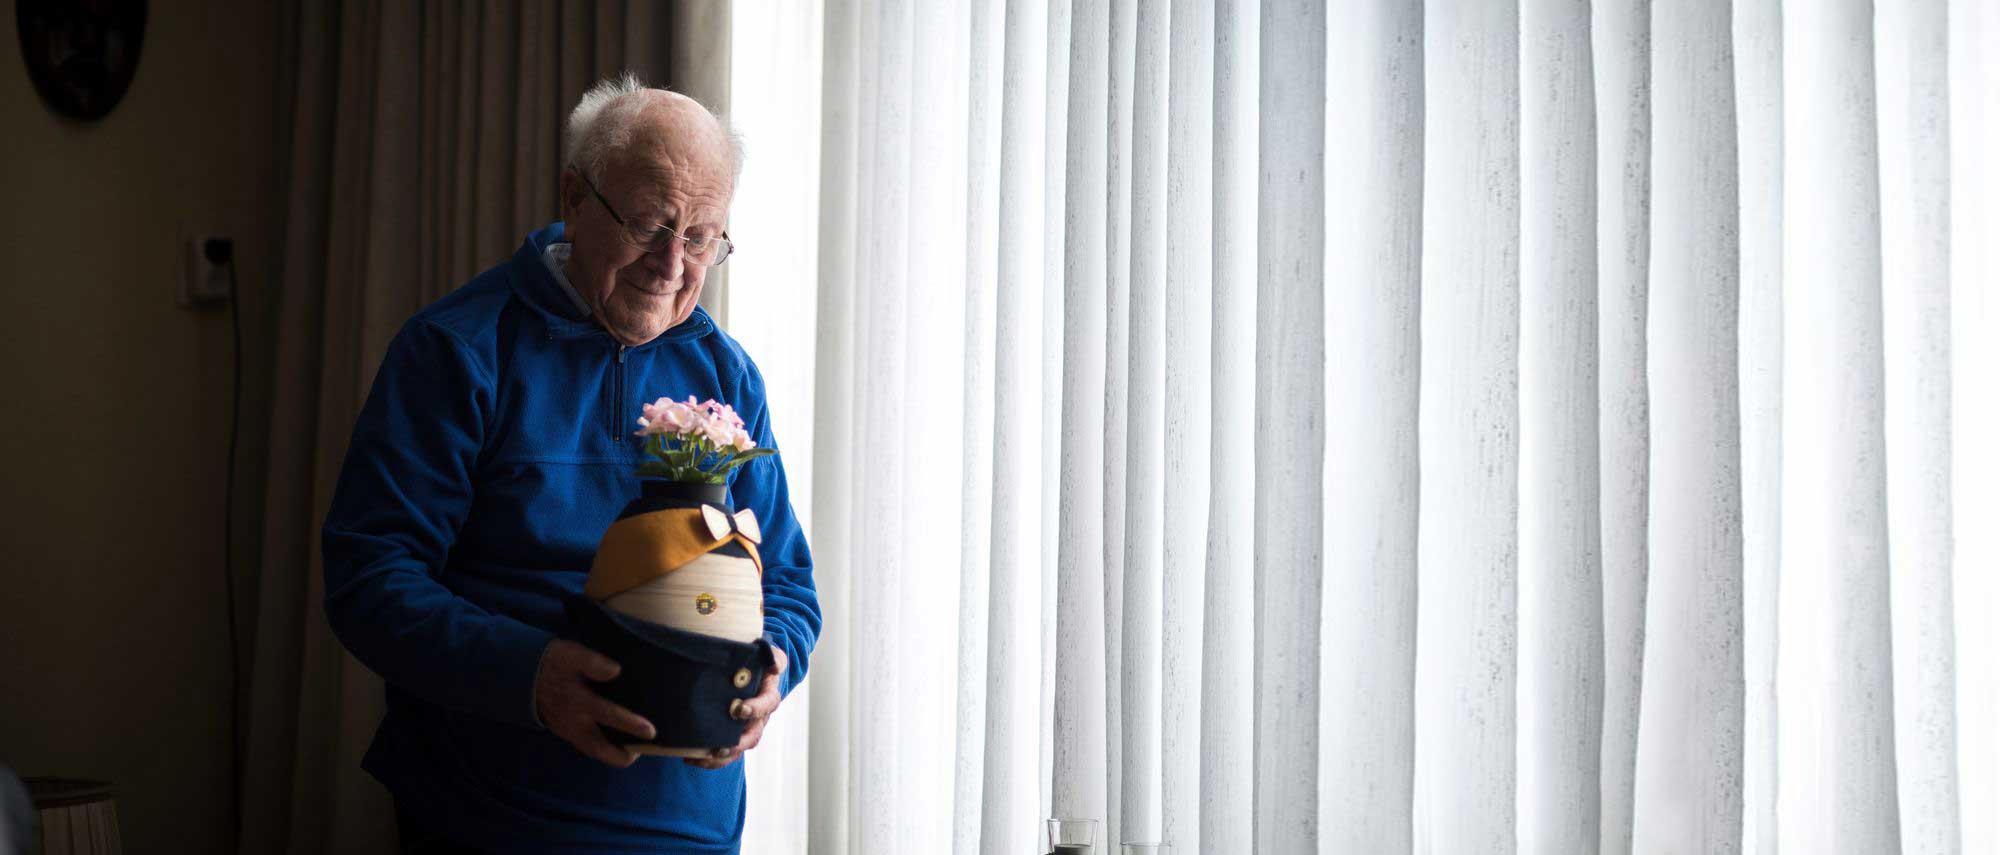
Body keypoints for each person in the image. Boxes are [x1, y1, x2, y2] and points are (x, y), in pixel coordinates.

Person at [320, 73, 820, 854]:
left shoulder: (728, 375)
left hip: (692, 824)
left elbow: (787, 582)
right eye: (652, 225)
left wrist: (774, 667)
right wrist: (533, 676)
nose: (672, 263)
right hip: (494, 814)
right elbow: (370, 576)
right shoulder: (459, 350)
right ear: (575, 197)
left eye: (701, 239)